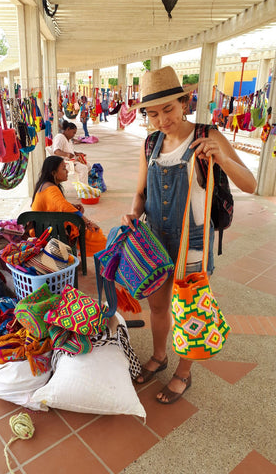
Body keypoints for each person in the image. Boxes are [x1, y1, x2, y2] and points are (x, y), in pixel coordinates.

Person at [122, 66, 257, 404]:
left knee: (190, 309)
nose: (162, 120)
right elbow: (140, 193)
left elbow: (251, 185)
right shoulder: (151, 142)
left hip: (192, 244)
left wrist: (222, 157)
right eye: (153, 113)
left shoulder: (207, 134)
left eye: (168, 109)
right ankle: (159, 355)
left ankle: (184, 372)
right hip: (153, 241)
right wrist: (133, 214)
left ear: (184, 102)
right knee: (157, 306)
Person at [31, 156, 107, 256]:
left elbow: (56, 204)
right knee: (90, 232)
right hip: (46, 231)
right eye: (63, 168)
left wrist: (72, 206)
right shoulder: (50, 188)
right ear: (53, 173)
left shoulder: (46, 185)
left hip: (44, 227)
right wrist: (88, 222)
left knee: (78, 225)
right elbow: (63, 206)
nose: (67, 171)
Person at [52, 120, 91, 184]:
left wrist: (77, 153)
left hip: (71, 160)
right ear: (68, 129)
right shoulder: (60, 137)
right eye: (73, 132)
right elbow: (56, 151)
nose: (74, 135)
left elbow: (69, 150)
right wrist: (67, 154)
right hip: (64, 163)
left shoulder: (68, 139)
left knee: (88, 165)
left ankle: (85, 184)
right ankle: (83, 190)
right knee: (83, 168)